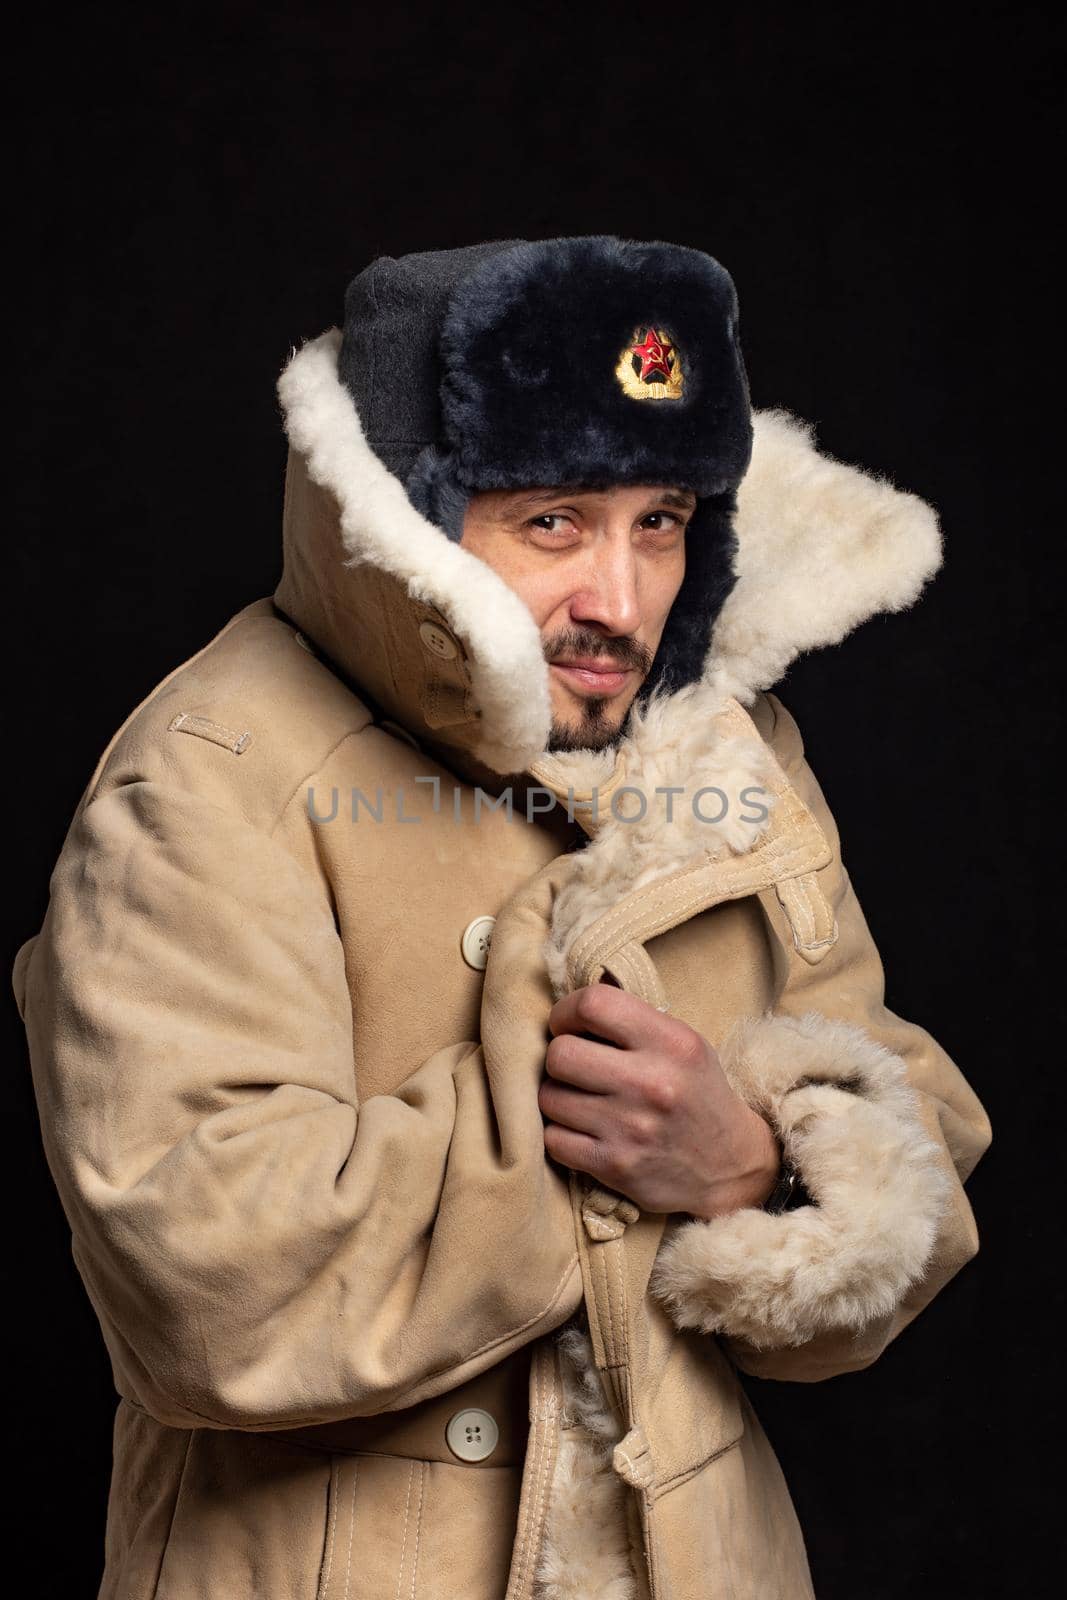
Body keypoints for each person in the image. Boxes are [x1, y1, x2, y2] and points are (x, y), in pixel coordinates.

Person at [12, 236, 992, 1600]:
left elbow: (921, 1160)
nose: (622, 598)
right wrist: (614, 1145)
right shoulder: (209, 774)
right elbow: (206, 1285)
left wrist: (754, 1168)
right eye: (554, 523)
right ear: (410, 518)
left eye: (660, 520)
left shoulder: (720, 747)